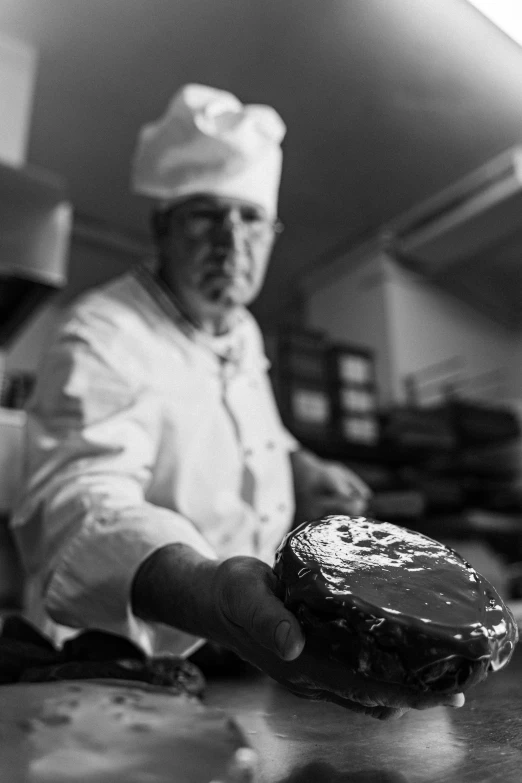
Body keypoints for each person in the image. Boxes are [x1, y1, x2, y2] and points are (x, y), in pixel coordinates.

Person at [11, 84, 463, 718]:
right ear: (162, 225)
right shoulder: (103, 331)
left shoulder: (243, 332)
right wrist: (211, 591)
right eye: (205, 214)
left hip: (247, 662)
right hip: (115, 666)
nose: (232, 240)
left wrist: (300, 463)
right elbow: (82, 504)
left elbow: (250, 428)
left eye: (251, 218)